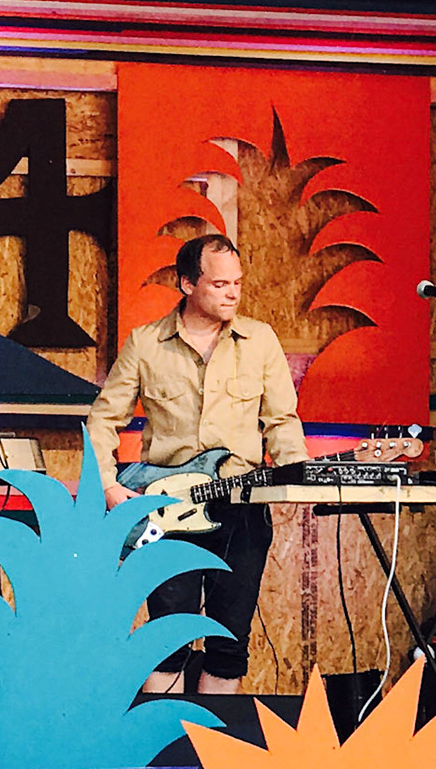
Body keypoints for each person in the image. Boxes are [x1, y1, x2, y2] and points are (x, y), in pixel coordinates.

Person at [86, 233, 309, 696]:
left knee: (229, 642)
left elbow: (282, 420)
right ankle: (164, 741)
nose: (232, 294)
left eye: (237, 283)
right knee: (168, 640)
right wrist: (108, 485)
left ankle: (213, 741)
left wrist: (299, 474)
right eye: (219, 284)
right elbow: (103, 420)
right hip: (168, 511)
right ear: (188, 284)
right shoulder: (146, 343)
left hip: (240, 508)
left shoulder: (260, 340)